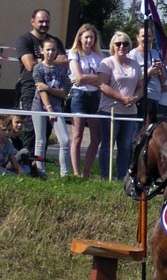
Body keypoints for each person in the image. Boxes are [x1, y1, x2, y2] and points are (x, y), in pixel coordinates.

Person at [16, 9, 67, 154]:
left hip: (53, 94)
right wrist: (51, 61)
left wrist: (43, 60)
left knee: (46, 133)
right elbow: (30, 65)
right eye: (41, 21)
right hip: (31, 92)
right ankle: (26, 162)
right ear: (33, 22)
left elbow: (65, 63)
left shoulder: (55, 41)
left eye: (47, 21)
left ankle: (40, 163)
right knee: (31, 131)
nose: (44, 24)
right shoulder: (25, 40)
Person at [96, 31, 143, 180]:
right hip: (110, 111)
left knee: (126, 146)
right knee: (107, 145)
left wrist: (135, 98)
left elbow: (141, 86)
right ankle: (105, 176)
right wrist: (121, 98)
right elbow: (102, 85)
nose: (122, 46)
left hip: (130, 112)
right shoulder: (107, 63)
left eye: (125, 43)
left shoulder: (135, 64)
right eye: (118, 44)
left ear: (129, 46)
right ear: (113, 46)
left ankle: (123, 176)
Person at [32, 37, 71, 178]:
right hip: (39, 107)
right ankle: (40, 172)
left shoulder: (61, 69)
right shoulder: (38, 68)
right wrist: (49, 109)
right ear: (42, 50)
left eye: (53, 50)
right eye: (48, 49)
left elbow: (63, 92)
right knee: (40, 140)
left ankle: (65, 174)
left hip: (57, 107)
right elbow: (40, 90)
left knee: (65, 140)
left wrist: (48, 88)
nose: (50, 52)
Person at [68, 23, 103, 178]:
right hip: (79, 96)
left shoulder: (99, 57)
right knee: (77, 136)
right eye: (86, 37)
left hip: (95, 96)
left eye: (91, 38)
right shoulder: (74, 54)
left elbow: (102, 79)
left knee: (96, 137)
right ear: (80, 38)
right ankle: (76, 173)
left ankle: (86, 172)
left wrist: (86, 78)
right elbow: (78, 76)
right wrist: (91, 78)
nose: (89, 40)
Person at [127, 25, 165, 120]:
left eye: (149, 36)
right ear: (137, 37)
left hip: (156, 97)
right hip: (142, 97)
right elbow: (130, 78)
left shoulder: (155, 53)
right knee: (141, 126)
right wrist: (147, 73)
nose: (147, 39)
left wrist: (161, 69)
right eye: (144, 36)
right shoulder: (132, 55)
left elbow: (163, 80)